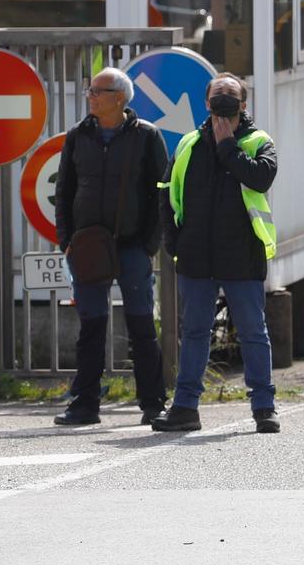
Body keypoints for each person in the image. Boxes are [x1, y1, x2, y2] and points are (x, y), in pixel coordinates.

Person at [154, 73, 281, 435]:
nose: (224, 100)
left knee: (253, 332)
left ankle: (264, 408)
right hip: (196, 255)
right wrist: (173, 241)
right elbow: (165, 190)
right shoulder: (189, 143)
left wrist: (228, 147)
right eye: (217, 95)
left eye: (231, 95)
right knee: (194, 332)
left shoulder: (258, 142)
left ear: (244, 104)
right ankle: (185, 408)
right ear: (206, 103)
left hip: (241, 255)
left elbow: (261, 178)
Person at [52, 67, 169, 428]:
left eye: (97, 91)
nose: (90, 96)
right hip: (87, 247)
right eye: (90, 90)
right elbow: (65, 191)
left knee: (141, 326)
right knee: (91, 325)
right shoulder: (78, 135)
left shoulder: (147, 136)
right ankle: (85, 404)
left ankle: (152, 404)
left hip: (133, 246)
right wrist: (67, 241)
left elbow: (160, 195)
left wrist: (149, 244)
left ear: (119, 97)